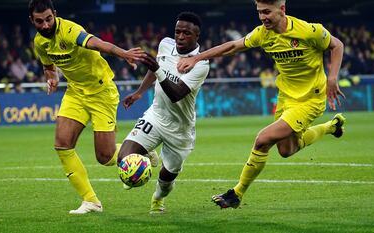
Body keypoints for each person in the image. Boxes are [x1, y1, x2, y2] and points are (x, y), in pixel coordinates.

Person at [177, 0, 346, 209]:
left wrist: (332, 77)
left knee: (262, 140)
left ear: (282, 10)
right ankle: (331, 127)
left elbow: (337, 45)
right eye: (259, 12)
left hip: (310, 100)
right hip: (286, 97)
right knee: (286, 150)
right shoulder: (262, 34)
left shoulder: (309, 31)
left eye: (267, 12)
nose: (263, 17)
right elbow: (232, 46)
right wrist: (197, 58)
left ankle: (236, 193)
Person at [28, 0, 157, 214]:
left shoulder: (70, 30)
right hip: (75, 92)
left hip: (101, 92)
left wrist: (123, 53)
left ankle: (141, 152)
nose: (45, 25)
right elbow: (48, 66)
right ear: (32, 20)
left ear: (55, 15)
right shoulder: (40, 42)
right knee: (62, 145)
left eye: (48, 19)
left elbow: (96, 43)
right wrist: (51, 78)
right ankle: (91, 201)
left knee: (105, 157)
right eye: (39, 21)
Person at [118, 12, 209, 214]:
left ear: (196, 36)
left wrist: (158, 69)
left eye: (186, 33)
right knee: (123, 161)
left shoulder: (201, 64)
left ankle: (158, 199)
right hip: (156, 116)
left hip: (180, 129)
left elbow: (177, 94)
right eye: (178, 31)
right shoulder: (165, 44)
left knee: (166, 179)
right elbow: (154, 69)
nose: (180, 36)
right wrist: (140, 92)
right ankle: (148, 153)